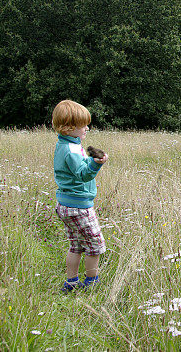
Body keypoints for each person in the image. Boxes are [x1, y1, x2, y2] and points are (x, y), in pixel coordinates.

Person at [51, 99, 108, 292]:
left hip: (66, 204)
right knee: (95, 245)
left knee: (76, 245)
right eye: (82, 125)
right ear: (68, 127)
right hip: (78, 207)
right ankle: (91, 282)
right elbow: (83, 175)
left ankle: (71, 282)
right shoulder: (72, 150)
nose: (86, 128)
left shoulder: (66, 144)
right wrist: (96, 164)